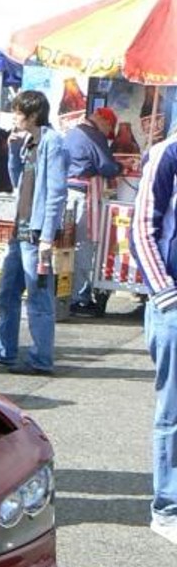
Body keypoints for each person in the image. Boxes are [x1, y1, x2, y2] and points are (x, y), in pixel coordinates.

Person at [0, 89, 68, 375]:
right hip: (22, 228)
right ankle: (3, 350)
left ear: (32, 115)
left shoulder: (52, 142)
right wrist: (13, 151)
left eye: (18, 112)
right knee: (7, 292)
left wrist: (47, 236)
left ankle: (41, 359)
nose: (14, 116)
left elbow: (55, 192)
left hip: (35, 232)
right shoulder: (29, 141)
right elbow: (19, 181)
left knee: (38, 298)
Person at [129, 133, 177, 544]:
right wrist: (167, 295)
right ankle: (168, 508)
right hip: (174, 303)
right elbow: (143, 228)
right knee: (174, 412)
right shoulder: (168, 154)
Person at [63, 106, 120, 314]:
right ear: (104, 121)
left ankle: (67, 294)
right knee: (83, 246)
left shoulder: (73, 131)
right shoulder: (94, 135)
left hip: (67, 194)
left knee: (67, 247)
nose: (108, 135)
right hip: (82, 196)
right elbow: (107, 166)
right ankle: (79, 298)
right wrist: (121, 167)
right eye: (109, 130)